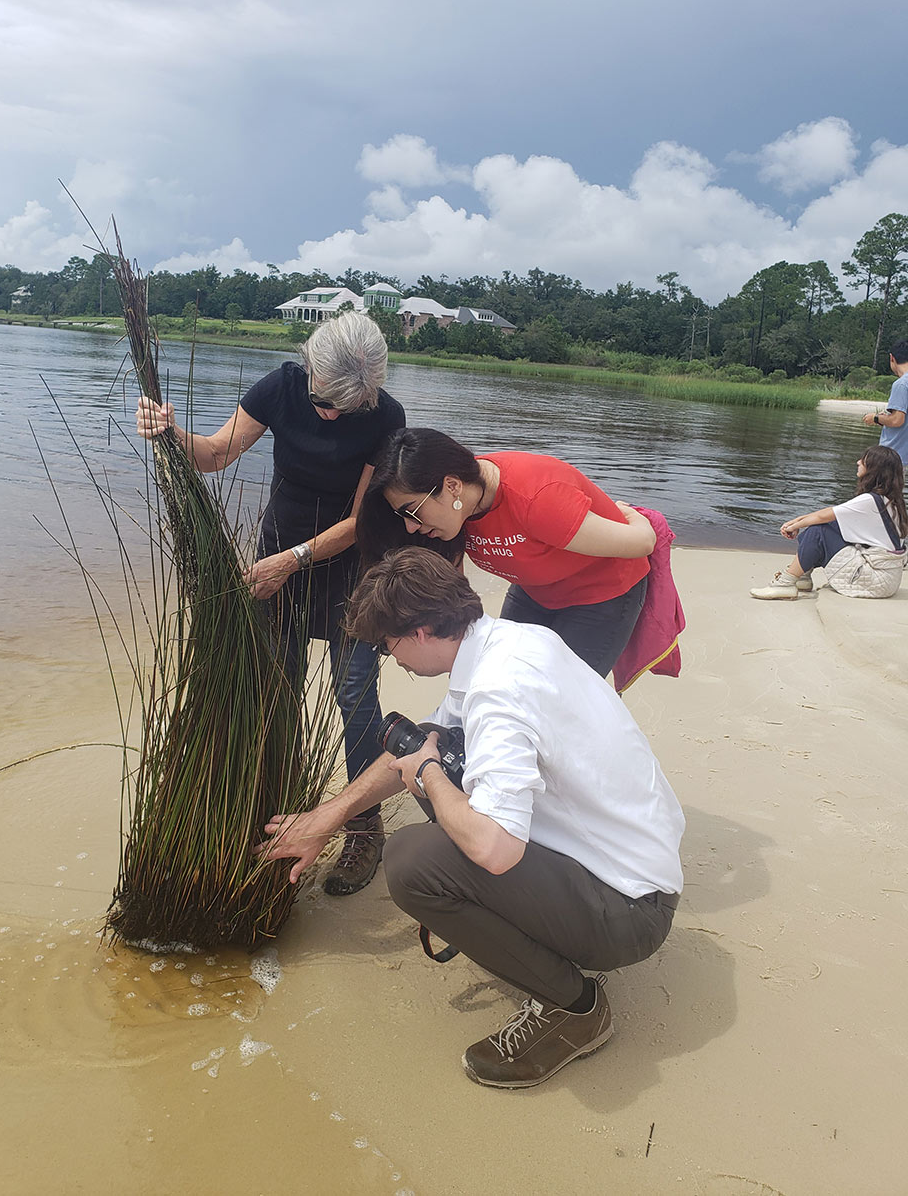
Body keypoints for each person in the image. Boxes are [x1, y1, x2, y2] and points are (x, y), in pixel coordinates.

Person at [261, 547, 684, 1089]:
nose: (395, 662)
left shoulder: (497, 691)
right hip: (627, 864)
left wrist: (433, 777)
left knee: (413, 860)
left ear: (421, 630)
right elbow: (415, 750)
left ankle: (576, 1009)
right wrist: (328, 817)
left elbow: (495, 849)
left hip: (629, 911)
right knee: (433, 765)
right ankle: (547, 935)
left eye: (388, 646)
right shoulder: (513, 642)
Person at [136, 311, 405, 895]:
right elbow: (213, 455)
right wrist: (169, 431)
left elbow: (361, 521)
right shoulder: (279, 388)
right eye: (325, 402)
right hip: (273, 565)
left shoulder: (386, 417)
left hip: (347, 569)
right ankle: (280, 811)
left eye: (347, 409)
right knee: (277, 686)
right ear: (307, 367)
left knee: (354, 693)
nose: (333, 414)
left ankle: (363, 827)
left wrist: (295, 560)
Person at [355, 428, 656, 677]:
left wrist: (632, 515)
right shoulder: (457, 515)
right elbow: (451, 597)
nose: (410, 527)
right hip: (534, 589)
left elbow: (643, 543)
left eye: (414, 513)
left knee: (559, 693)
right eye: (403, 516)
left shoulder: (537, 501)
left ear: (451, 486)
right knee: (500, 674)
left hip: (601, 595)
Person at [750, 445, 907, 600]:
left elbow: (823, 516)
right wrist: (796, 522)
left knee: (819, 530)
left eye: (864, 461)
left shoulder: (870, 500)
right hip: (886, 579)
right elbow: (832, 515)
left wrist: (793, 525)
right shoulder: (890, 501)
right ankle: (803, 577)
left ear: (874, 469)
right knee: (832, 525)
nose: (858, 462)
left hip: (874, 581)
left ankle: (785, 584)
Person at [862, 340, 908, 466]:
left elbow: (897, 420)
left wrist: (876, 418)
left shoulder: (902, 384)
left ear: (892, 358)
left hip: (892, 456)